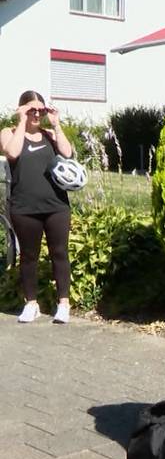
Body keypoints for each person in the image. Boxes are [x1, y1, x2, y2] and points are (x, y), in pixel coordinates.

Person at [0, 91, 75, 324]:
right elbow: (12, 152)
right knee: (29, 257)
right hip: (24, 207)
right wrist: (21, 121)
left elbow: (68, 153)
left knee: (60, 253)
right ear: (21, 109)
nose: (36, 114)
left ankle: (64, 304)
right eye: (31, 110)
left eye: (40, 110)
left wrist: (57, 125)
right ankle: (31, 304)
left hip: (56, 206)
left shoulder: (50, 135)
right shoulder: (8, 133)